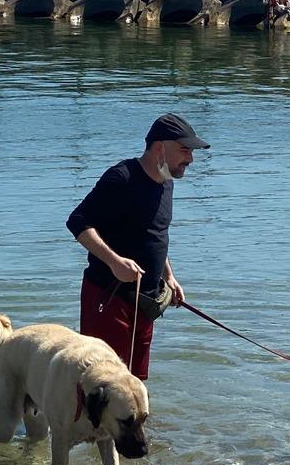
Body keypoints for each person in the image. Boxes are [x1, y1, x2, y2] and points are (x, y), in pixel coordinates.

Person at [66, 113, 209, 381]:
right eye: (184, 150)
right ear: (159, 147)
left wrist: (169, 277)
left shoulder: (166, 183)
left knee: (134, 384)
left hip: (146, 303)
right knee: (100, 382)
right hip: (109, 297)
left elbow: (155, 235)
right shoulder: (122, 178)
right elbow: (77, 222)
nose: (190, 159)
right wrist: (114, 261)